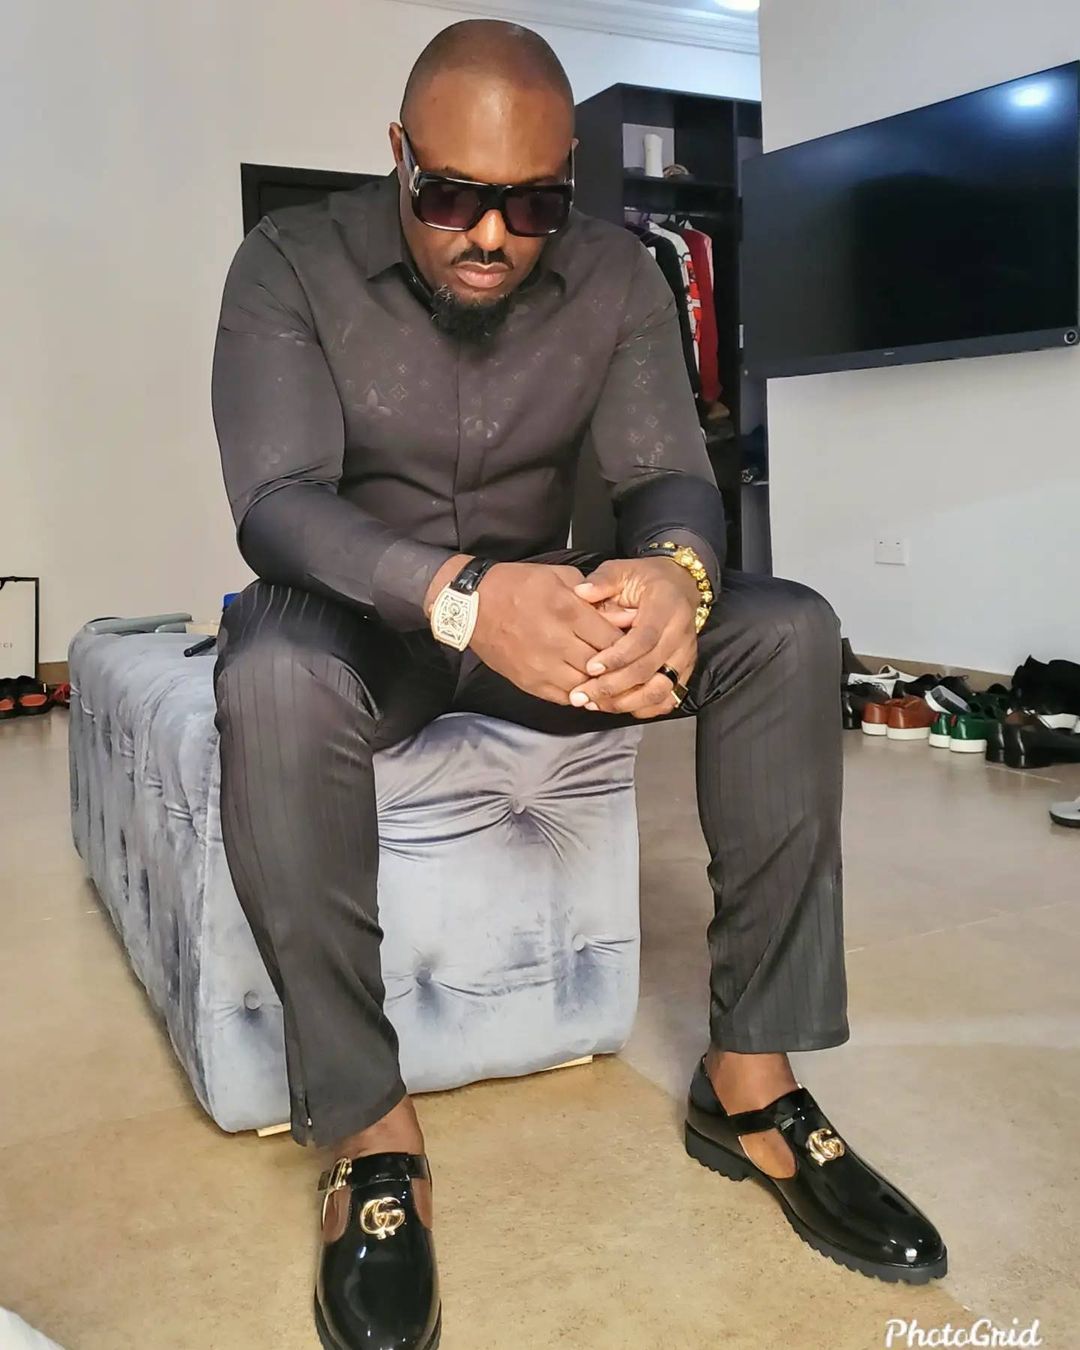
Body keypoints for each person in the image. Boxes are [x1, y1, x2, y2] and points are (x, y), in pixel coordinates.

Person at [211, 20, 946, 1350]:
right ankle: (370, 1131)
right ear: (398, 157)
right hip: (368, 624)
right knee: (266, 677)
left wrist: (676, 576)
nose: (493, 235)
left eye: (534, 202)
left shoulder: (618, 274)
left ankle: (750, 1085)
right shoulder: (288, 261)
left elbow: (668, 475)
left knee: (789, 629)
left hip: (549, 619)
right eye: (453, 196)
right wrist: (461, 597)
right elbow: (275, 504)